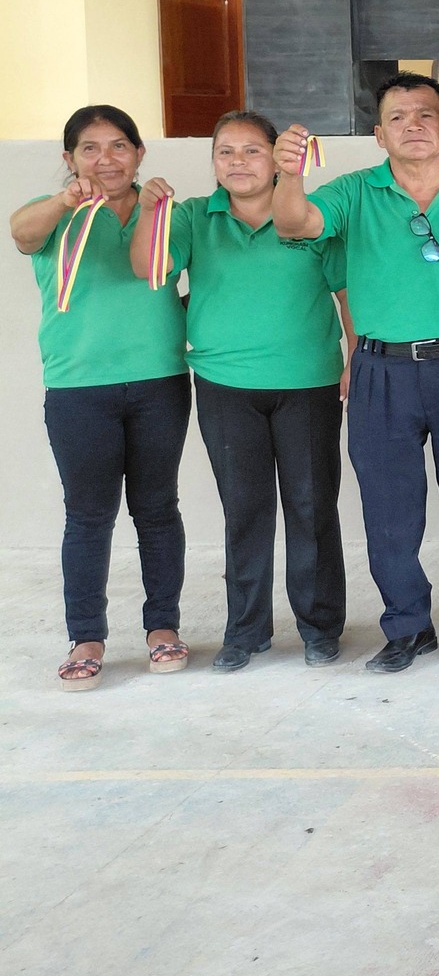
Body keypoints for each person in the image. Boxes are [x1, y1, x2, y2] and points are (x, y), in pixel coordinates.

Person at [272, 74, 439, 673]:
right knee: (389, 510)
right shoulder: (353, 192)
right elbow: (294, 224)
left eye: (427, 114)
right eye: (398, 117)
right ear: (379, 134)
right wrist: (289, 173)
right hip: (381, 371)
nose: (414, 125)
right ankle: (407, 627)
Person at [127, 112, 353, 671]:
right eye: (225, 152)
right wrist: (150, 213)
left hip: (308, 381)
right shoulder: (192, 216)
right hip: (225, 385)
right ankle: (246, 630)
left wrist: (356, 357)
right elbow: (148, 271)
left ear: (276, 157)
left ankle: (320, 626)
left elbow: (346, 291)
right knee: (244, 510)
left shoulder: (307, 216)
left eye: (251, 150)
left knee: (311, 506)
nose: (237, 162)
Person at [11, 106, 190, 691]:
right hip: (77, 388)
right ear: (69, 158)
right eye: (89, 148)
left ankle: (163, 627)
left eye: (118, 146)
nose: (105, 159)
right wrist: (65, 200)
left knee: (157, 509)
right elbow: (21, 233)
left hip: (159, 381)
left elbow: (175, 274)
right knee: (88, 516)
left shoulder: (164, 211)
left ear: (139, 153)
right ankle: (86, 637)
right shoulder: (55, 214)